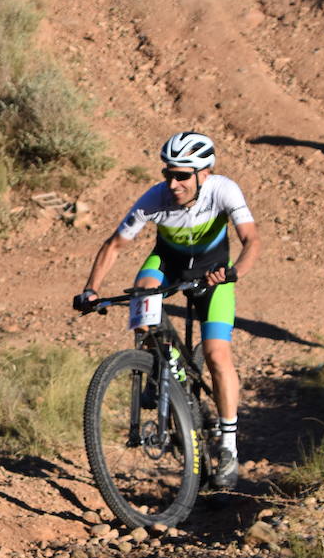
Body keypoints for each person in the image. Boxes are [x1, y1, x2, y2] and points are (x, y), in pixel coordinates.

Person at [72, 131, 261, 489]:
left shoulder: (224, 190)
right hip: (169, 264)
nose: (173, 183)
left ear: (204, 173)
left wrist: (233, 272)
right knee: (142, 288)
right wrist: (91, 290)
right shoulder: (155, 198)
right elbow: (114, 245)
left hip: (214, 275)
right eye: (168, 174)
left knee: (218, 355)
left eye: (182, 175)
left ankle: (229, 447)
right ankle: (155, 365)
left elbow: (251, 240)